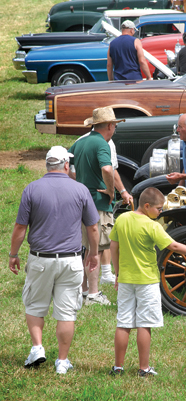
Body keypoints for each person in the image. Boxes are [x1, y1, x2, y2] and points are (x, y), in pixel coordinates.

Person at [109, 187, 186, 377]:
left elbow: (114, 246)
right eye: (159, 209)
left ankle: (118, 368)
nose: (160, 212)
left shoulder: (122, 219)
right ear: (147, 206)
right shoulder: (152, 226)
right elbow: (174, 246)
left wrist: (118, 273)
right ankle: (143, 369)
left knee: (124, 323)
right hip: (147, 281)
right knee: (144, 324)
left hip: (126, 280)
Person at [8, 146, 100, 374]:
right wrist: (94, 253)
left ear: (47, 165)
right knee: (67, 312)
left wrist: (13, 254)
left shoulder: (32, 189)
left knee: (35, 305)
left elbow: (20, 227)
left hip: (40, 259)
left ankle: (38, 348)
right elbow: (93, 227)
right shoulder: (80, 190)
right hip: (71, 260)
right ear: (66, 165)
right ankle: (62, 361)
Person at [68, 107, 126, 305]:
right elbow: (107, 169)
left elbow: (67, 166)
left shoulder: (81, 142)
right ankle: (93, 294)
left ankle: (84, 291)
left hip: (81, 203)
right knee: (97, 249)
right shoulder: (103, 143)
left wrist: (79, 184)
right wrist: (111, 191)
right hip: (98, 204)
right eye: (115, 126)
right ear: (109, 126)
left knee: (85, 247)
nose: (115, 130)